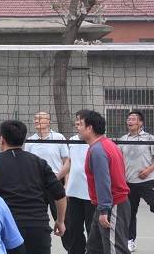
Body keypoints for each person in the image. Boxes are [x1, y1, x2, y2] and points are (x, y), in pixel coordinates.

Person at [0, 119, 66, 254]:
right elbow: (60, 193)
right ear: (24, 139)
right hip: (38, 226)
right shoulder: (39, 162)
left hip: (8, 227)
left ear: (1, 140)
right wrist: (60, 221)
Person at [76, 110, 131, 254]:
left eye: (80, 124)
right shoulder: (106, 144)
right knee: (94, 249)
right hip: (106, 205)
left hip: (112, 206)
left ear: (90, 128)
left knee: (115, 250)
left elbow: (103, 182)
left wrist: (104, 209)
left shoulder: (98, 150)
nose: (77, 127)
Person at [56, 109, 95, 254]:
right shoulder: (72, 140)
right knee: (74, 229)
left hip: (91, 195)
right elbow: (70, 162)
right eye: (76, 120)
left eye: (80, 120)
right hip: (74, 194)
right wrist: (56, 178)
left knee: (92, 229)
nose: (77, 123)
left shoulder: (97, 142)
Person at [118, 111, 154, 252]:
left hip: (147, 181)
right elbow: (119, 161)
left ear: (141, 123)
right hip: (129, 183)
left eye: (134, 119)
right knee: (130, 213)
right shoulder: (123, 139)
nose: (130, 121)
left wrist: (148, 170)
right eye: (129, 119)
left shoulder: (149, 138)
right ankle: (130, 240)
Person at [25, 111, 69, 222]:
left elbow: (66, 162)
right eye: (35, 118)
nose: (36, 121)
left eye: (40, 118)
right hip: (37, 182)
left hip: (56, 180)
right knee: (38, 217)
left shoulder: (59, 137)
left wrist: (66, 184)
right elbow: (27, 165)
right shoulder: (30, 141)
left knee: (62, 218)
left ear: (49, 122)